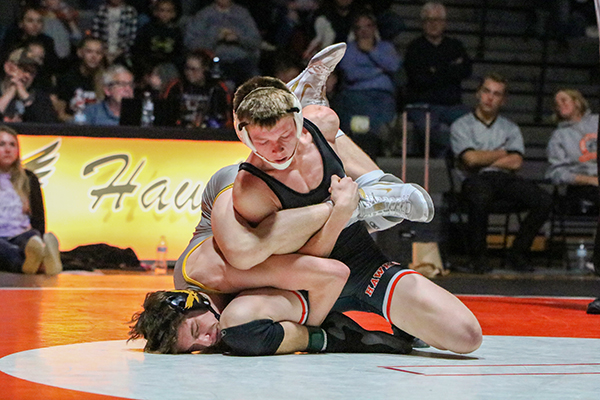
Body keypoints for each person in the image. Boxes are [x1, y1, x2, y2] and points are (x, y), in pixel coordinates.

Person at [129, 44, 436, 355]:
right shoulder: (220, 313)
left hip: (230, 196)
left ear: (193, 304)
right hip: (260, 227)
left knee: (245, 251)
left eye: (196, 331)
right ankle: (306, 108)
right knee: (321, 125)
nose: (206, 341)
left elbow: (325, 273)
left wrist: (339, 210)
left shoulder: (215, 275)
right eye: (192, 347)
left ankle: (364, 200)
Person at [218, 67, 480, 355]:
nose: (276, 150)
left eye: (284, 136)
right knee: (241, 321)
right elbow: (301, 263)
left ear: (298, 119)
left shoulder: (320, 123)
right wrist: (339, 212)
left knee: (466, 336)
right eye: (262, 142)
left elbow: (334, 140)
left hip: (365, 267)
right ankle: (363, 202)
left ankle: (375, 187)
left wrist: (361, 188)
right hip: (306, 285)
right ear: (245, 138)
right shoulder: (252, 189)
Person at [450, 73, 553, 273]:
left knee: (544, 200)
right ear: (478, 94)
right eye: (487, 91)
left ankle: (517, 252)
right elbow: (470, 160)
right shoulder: (461, 125)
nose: (490, 97)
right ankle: (479, 257)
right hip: (475, 179)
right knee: (480, 197)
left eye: (496, 94)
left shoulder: (510, 128)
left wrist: (483, 157)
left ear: (503, 100)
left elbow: (515, 162)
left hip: (504, 179)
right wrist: (503, 151)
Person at [403, 2, 472, 158]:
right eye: (429, 20)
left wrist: (435, 71)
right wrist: (449, 70)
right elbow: (419, 79)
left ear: (445, 23)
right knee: (427, 128)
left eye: (438, 19)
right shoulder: (415, 48)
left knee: (471, 123)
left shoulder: (455, 45)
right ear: (422, 23)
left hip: (452, 106)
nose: (433, 24)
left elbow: (466, 71)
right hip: (423, 105)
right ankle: (443, 160)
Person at [333, 11, 401, 157]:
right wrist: (380, 70)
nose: (364, 31)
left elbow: (394, 66)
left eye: (368, 26)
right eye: (359, 27)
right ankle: (375, 141)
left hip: (383, 96)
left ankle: (382, 140)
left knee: (384, 116)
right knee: (362, 117)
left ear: (374, 28)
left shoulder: (386, 47)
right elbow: (352, 74)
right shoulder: (348, 49)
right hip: (357, 95)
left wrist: (370, 51)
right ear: (355, 31)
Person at [0, 125, 62, 275]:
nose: (8, 149)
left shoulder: (28, 178)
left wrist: (39, 235)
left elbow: (39, 215)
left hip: (20, 234)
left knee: (32, 239)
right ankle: (37, 264)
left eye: (12, 145)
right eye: (1, 144)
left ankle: (38, 255)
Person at [183, 0, 262, 88]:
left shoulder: (243, 14)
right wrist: (216, 37)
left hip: (242, 62)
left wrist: (238, 38)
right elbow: (191, 43)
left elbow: (256, 41)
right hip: (214, 63)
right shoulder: (203, 15)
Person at [546, 89, 598, 211]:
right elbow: (556, 173)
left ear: (577, 102)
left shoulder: (596, 121)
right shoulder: (558, 136)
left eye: (564, 100)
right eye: (556, 103)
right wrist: (589, 180)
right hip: (581, 186)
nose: (559, 105)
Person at [163, 50, 232, 128]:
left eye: (194, 69)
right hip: (179, 132)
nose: (189, 73)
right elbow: (166, 114)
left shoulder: (217, 88)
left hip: (210, 133)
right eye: (187, 68)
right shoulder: (176, 87)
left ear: (205, 69)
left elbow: (225, 118)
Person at [0, 47, 59, 123]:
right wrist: (11, 91)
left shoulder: (40, 97)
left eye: (32, 72)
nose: (27, 75)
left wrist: (26, 98)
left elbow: (49, 125)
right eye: (24, 69)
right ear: (9, 68)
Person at [54, 37, 106, 122]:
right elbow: (61, 115)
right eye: (89, 51)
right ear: (80, 53)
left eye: (98, 53)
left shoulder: (107, 80)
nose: (94, 56)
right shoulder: (67, 79)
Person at [131, 0, 184, 78]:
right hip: (148, 65)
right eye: (162, 10)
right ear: (155, 12)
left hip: (168, 66)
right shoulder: (147, 29)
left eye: (168, 11)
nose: (165, 14)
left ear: (174, 14)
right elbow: (139, 49)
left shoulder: (176, 32)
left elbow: (178, 53)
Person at [91, 0, 138, 66]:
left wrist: (120, 51)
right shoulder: (101, 10)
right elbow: (95, 33)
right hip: (103, 52)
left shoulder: (130, 11)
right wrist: (104, 50)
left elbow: (132, 36)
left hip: (123, 54)